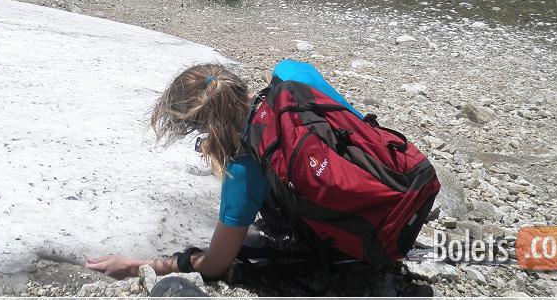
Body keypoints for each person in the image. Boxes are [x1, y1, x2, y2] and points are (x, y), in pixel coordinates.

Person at [84, 59, 364, 279]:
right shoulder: (292, 73)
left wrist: (136, 266)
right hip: (395, 180)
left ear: (203, 127)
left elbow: (215, 263)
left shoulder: (245, 166)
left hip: (361, 239)